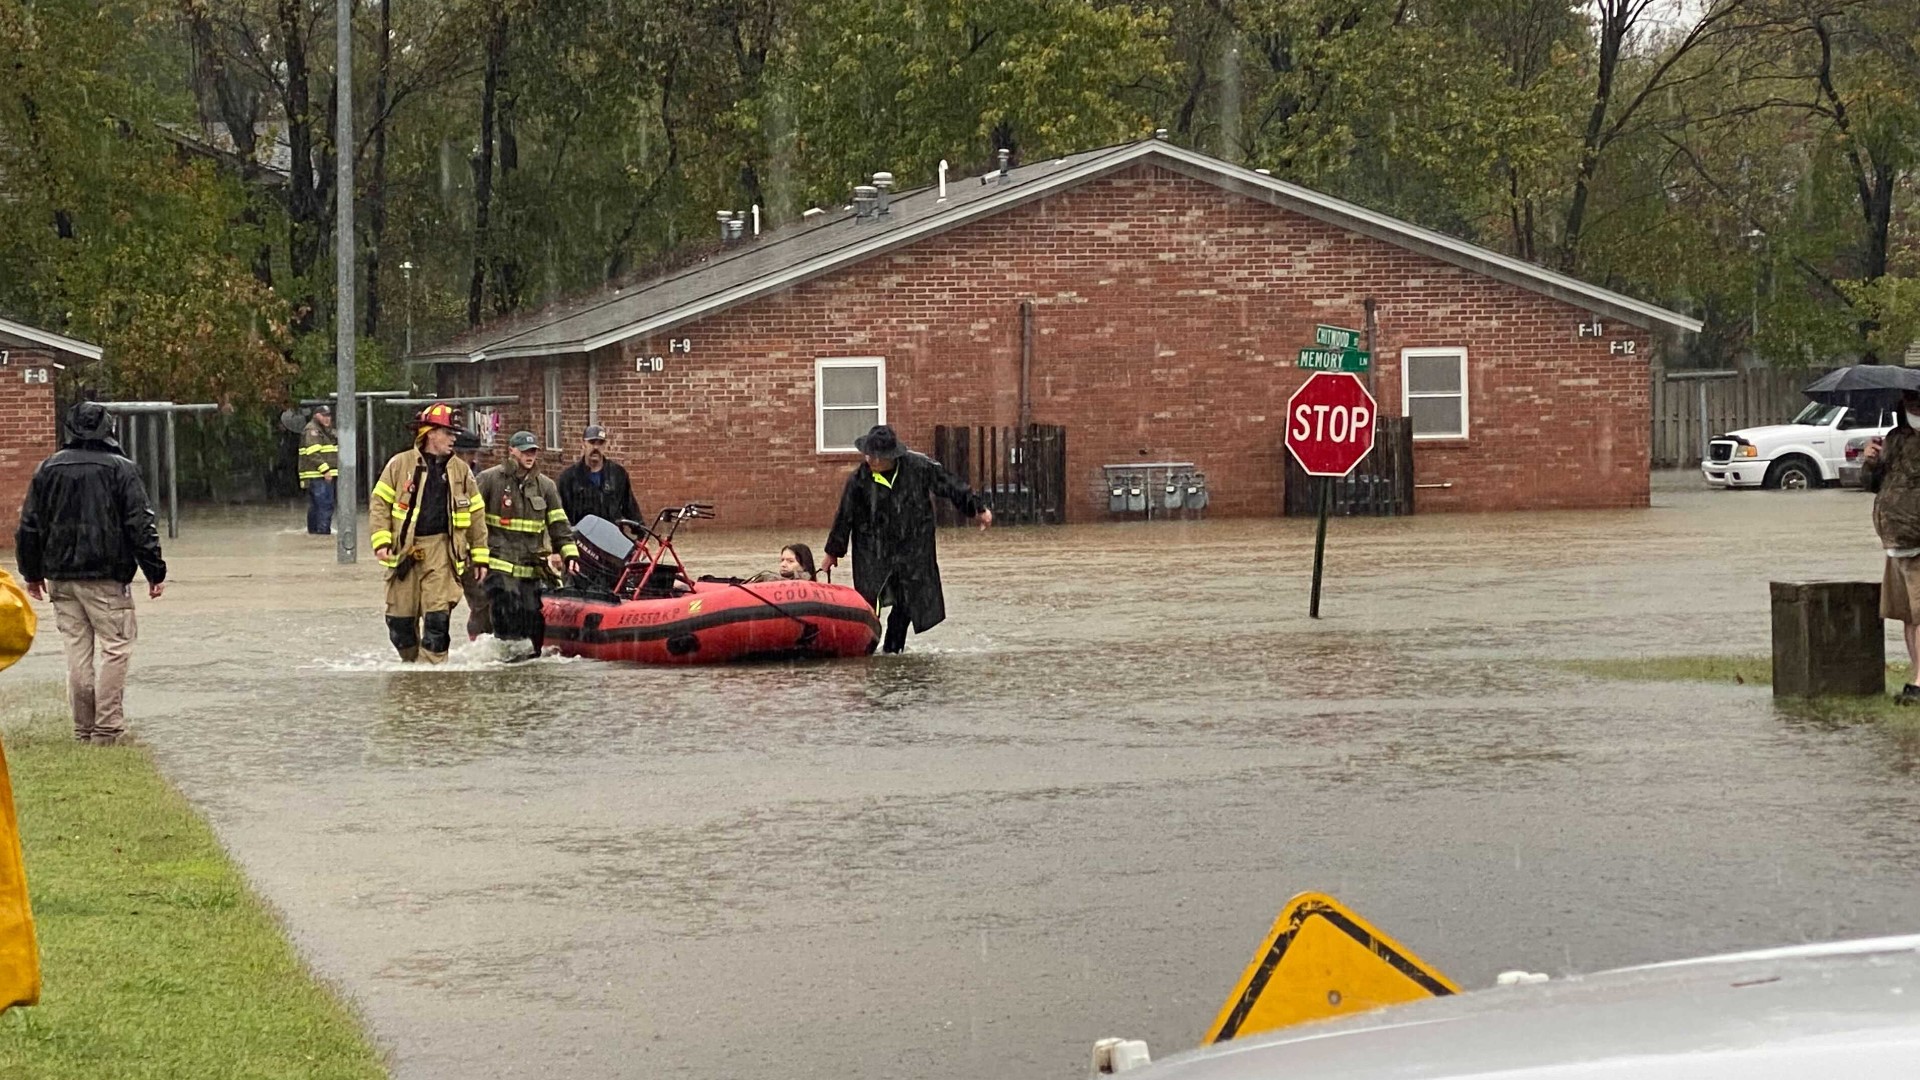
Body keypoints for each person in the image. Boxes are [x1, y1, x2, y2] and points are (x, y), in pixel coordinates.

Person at [14, 401, 167, 744]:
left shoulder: (48, 468)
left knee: (76, 650)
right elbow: (140, 523)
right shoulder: (121, 469)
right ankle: (108, 727)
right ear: (108, 429)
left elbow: (29, 525)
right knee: (116, 648)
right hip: (107, 576)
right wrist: (155, 570)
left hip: (61, 578)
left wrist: (31, 573)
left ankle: (83, 728)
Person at [823, 425, 990, 654]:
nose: (871, 460)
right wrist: (832, 553)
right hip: (873, 553)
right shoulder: (858, 480)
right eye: (868, 454)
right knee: (870, 603)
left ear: (891, 457)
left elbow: (950, 485)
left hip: (914, 549)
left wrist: (977, 508)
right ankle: (865, 651)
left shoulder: (919, 467)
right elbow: (844, 516)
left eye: (876, 456)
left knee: (908, 601)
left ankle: (892, 650)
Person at [370, 402, 489, 663]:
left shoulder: (461, 472)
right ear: (430, 433)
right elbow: (379, 504)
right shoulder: (399, 465)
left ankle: (433, 677)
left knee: (437, 622)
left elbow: (476, 516)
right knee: (399, 624)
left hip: (442, 551)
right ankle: (412, 670)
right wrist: (381, 541)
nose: (453, 439)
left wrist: (480, 556)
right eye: (448, 433)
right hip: (405, 551)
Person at [478, 431, 578, 653]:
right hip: (499, 565)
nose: (529, 456)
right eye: (524, 451)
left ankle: (529, 663)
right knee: (507, 608)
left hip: (531, 568)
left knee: (533, 620)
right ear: (511, 451)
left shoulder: (546, 486)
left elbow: (559, 524)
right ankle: (506, 660)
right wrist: (475, 557)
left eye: (532, 451)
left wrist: (569, 554)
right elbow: (472, 521)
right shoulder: (489, 480)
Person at [1863, 389, 1920, 704]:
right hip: (1895, 540)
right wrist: (1871, 462)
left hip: (1917, 540)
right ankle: (1917, 674)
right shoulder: (1895, 439)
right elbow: (1874, 485)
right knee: (1908, 615)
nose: (1914, 409)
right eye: (1910, 403)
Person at [556, 425, 643, 527]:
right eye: (592, 442)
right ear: (583, 444)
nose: (596, 447)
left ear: (605, 445)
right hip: (581, 534)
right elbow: (561, 514)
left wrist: (641, 530)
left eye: (600, 443)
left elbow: (630, 507)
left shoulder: (618, 474)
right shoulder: (568, 478)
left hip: (610, 534)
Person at [452, 430, 492, 640]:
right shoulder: (442, 475)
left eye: (474, 453)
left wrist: (478, 553)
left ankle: (479, 641)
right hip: (445, 550)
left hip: (470, 553)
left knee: (482, 600)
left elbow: (479, 520)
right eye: (469, 454)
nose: (473, 458)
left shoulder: (479, 478)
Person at [298, 404, 339, 534]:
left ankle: (315, 533)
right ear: (316, 416)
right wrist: (325, 470)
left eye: (329, 416)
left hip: (319, 475)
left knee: (317, 506)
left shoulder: (324, 430)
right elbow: (313, 453)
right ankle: (323, 533)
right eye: (323, 416)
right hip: (318, 475)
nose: (327, 418)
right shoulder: (313, 430)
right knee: (325, 505)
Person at [745, 543, 819, 583]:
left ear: (804, 565)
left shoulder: (811, 586)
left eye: (790, 561)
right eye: (782, 560)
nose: (783, 565)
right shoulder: (773, 579)